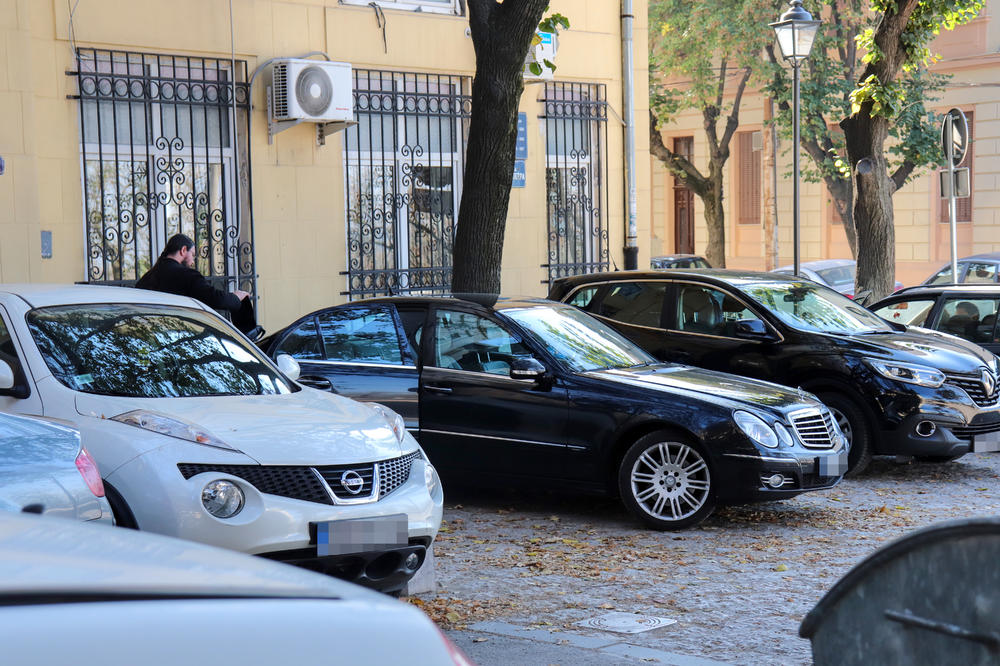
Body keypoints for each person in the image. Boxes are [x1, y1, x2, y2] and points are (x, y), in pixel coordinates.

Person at [136, 234, 262, 339]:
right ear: (183, 250)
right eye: (193, 254)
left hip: (148, 338)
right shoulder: (186, 275)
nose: (192, 261)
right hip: (177, 338)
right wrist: (236, 297)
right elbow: (215, 299)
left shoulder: (146, 278)